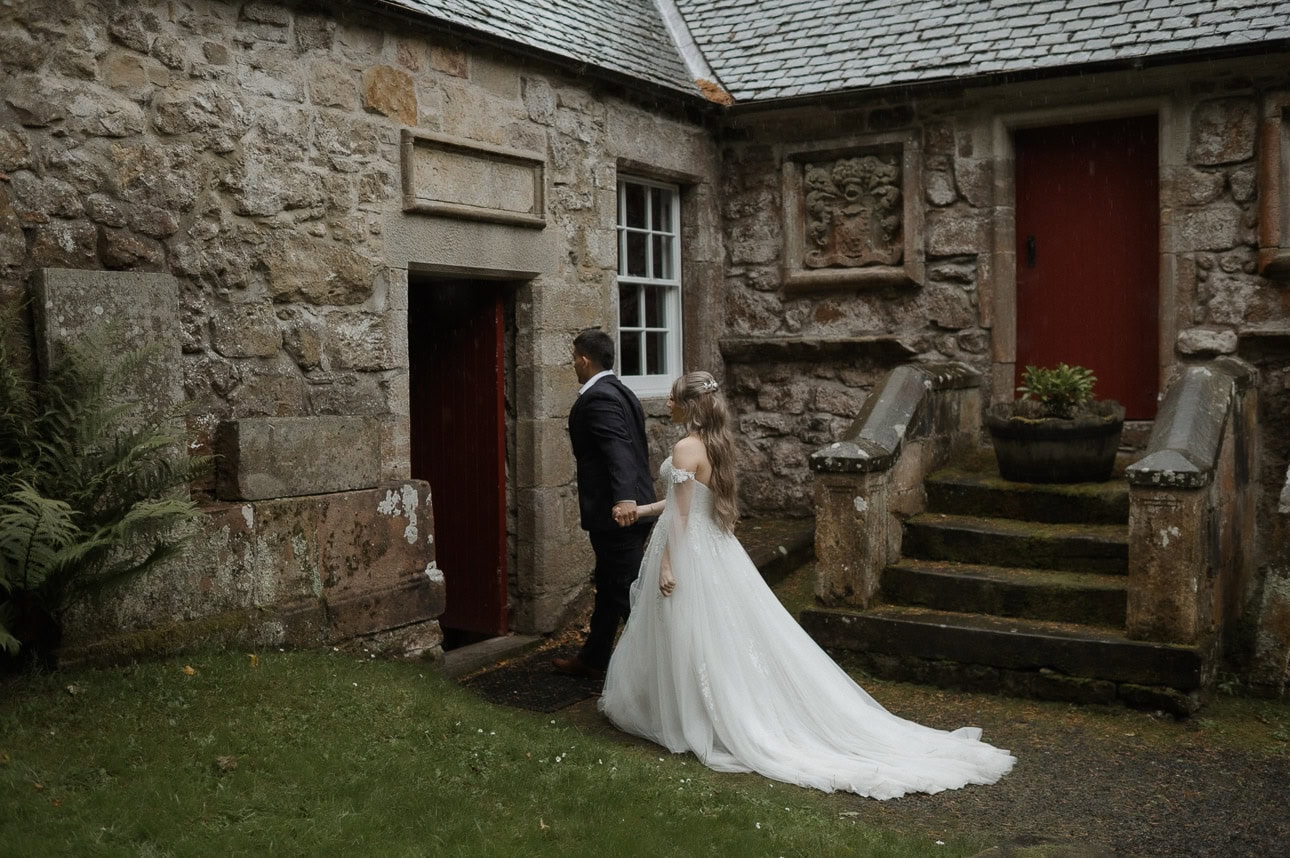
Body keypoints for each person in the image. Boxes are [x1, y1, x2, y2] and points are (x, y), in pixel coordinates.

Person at [599, 370, 1016, 799]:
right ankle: (696, 710)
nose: (666, 405)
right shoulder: (711, 443)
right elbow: (684, 502)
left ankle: (706, 719)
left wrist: (669, 563)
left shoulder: (686, 446)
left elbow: (685, 516)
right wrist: (642, 509)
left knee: (698, 634)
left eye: (671, 399)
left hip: (692, 551)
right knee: (713, 637)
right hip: (710, 548)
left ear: (688, 405)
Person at [553, 328, 656, 679]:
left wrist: (625, 499)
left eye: (573, 360)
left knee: (628, 594)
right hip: (628, 511)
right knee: (611, 584)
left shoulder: (598, 397)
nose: (573, 366)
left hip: (619, 514)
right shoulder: (621, 391)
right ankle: (594, 658)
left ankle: (660, 673)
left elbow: (619, 450)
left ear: (584, 360)